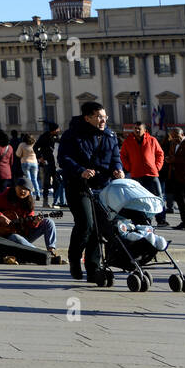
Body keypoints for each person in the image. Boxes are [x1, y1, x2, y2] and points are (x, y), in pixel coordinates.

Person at [58, 101, 123, 283]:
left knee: (99, 227)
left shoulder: (110, 135)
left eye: (104, 116)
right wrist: (81, 170)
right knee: (86, 223)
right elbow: (64, 158)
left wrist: (118, 169)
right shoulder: (72, 135)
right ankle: (74, 258)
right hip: (78, 186)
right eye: (99, 117)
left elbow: (116, 157)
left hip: (102, 187)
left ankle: (94, 267)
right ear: (87, 118)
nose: (103, 120)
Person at [0, 184, 62, 262]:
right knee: (16, 237)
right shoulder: (4, 197)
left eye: (26, 189)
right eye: (20, 188)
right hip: (6, 236)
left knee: (49, 222)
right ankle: (43, 255)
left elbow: (28, 226)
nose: (23, 191)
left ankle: (51, 252)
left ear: (29, 192)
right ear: (15, 188)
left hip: (22, 234)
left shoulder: (29, 204)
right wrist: (0, 216)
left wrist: (35, 223)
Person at [121, 123, 167, 226]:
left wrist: (157, 167)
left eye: (139, 129)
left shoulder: (152, 140)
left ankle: (161, 219)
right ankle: (144, 219)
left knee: (158, 197)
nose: (137, 130)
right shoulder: (128, 141)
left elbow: (160, 154)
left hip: (152, 174)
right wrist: (129, 168)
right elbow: (123, 156)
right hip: (136, 175)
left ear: (144, 130)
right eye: (135, 128)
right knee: (140, 198)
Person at [17, 134, 41, 198]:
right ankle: (38, 194)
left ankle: (30, 193)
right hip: (34, 163)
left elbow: (18, 154)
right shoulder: (35, 144)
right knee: (35, 179)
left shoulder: (22, 144)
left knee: (28, 179)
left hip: (25, 162)